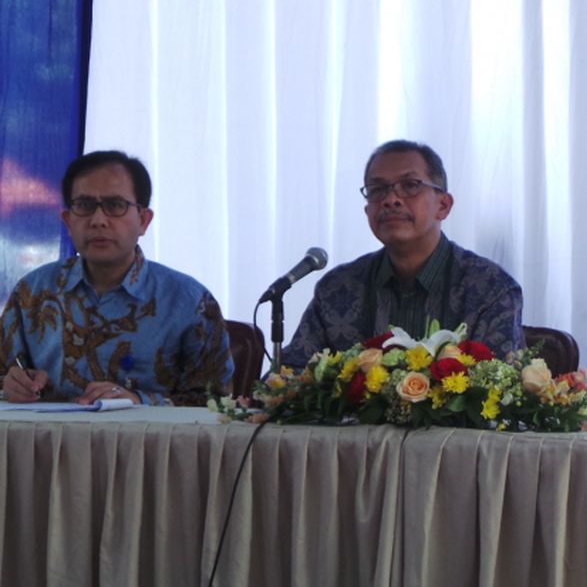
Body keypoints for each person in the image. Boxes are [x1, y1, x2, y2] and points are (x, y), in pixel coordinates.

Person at [0, 150, 233, 406]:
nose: (98, 221)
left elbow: (217, 402)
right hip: (47, 444)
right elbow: (4, 377)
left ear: (143, 220)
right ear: (67, 221)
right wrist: (11, 386)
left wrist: (137, 400)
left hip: (151, 444)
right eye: (85, 206)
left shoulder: (191, 302)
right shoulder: (32, 293)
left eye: (115, 206)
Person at [280, 140, 524, 367]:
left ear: (444, 205)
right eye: (377, 189)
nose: (391, 199)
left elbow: (502, 394)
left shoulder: (490, 289)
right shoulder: (337, 288)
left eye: (410, 186)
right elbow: (291, 378)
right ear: (367, 211)